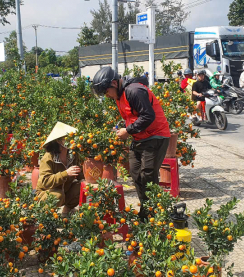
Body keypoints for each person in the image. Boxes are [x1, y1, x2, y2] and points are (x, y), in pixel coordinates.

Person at [92, 67, 170, 220]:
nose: (107, 95)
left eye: (107, 91)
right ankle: (147, 210)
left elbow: (148, 116)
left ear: (114, 83)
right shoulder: (119, 96)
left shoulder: (134, 91)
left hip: (156, 136)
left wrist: (127, 131)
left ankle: (153, 214)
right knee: (135, 173)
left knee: (148, 174)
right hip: (139, 137)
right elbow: (132, 115)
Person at [36, 122, 83, 217]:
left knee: (82, 186)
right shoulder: (48, 158)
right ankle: (46, 216)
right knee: (57, 195)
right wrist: (66, 173)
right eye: (67, 138)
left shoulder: (73, 155)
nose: (71, 140)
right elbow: (46, 181)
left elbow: (80, 174)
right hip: (47, 193)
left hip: (64, 191)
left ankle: (67, 211)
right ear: (58, 141)